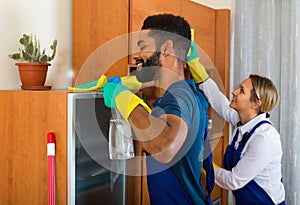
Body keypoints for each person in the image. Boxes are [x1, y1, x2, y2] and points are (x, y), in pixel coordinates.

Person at [101, 14, 213, 205]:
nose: (138, 56)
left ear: (166, 48)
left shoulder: (180, 96)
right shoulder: (187, 95)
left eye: (143, 47)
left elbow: (165, 148)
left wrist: (123, 97)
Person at [192, 55, 285, 204]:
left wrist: (202, 159)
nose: (234, 92)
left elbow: (233, 181)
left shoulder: (264, 138)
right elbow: (220, 102)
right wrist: (198, 71)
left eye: (241, 90)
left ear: (255, 103)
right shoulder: (244, 122)